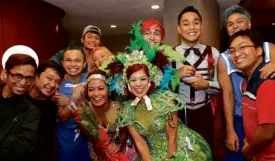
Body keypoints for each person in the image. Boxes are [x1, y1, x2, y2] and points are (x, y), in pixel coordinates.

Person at [104, 42, 212, 160]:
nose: (138, 84)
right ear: (127, 83)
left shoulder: (166, 100)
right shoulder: (126, 110)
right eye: (133, 80)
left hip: (179, 150)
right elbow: (140, 143)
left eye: (143, 79)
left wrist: (170, 158)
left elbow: (172, 139)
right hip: (151, 155)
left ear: (150, 80)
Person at [218, 5, 275, 161]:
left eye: (239, 21)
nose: (235, 26)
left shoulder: (269, 48)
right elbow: (228, 94)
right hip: (240, 116)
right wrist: (230, 129)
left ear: (249, 24)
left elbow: (268, 131)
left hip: (266, 117)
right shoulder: (225, 58)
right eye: (230, 24)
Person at [174, 6, 220, 149]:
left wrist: (206, 84)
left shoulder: (213, 53)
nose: (191, 27)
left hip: (204, 113)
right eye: (186, 23)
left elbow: (222, 86)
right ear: (179, 29)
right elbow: (160, 87)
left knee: (205, 151)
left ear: (201, 26)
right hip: (179, 113)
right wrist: (176, 75)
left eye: (196, 22)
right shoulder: (169, 54)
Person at [229, 29, 275, 161]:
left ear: (259, 51)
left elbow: (268, 131)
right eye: (232, 51)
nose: (236, 54)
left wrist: (249, 150)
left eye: (242, 47)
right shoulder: (249, 81)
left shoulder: (266, 81)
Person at [71, 70, 129, 161]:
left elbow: (124, 132)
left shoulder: (119, 109)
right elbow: (86, 134)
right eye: (91, 90)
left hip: (118, 155)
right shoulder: (84, 111)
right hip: (95, 156)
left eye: (101, 89)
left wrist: (118, 144)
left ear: (109, 91)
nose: (96, 94)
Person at [0, 45, 40, 161]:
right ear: (5, 74)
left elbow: (21, 149)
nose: (23, 83)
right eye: (18, 76)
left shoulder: (31, 111)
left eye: (29, 78)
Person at [54, 44, 91, 161]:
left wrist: (68, 103)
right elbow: (62, 117)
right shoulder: (57, 84)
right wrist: (74, 99)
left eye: (77, 60)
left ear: (84, 64)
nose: (73, 64)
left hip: (89, 138)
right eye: (68, 60)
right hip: (66, 138)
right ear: (63, 63)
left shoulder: (91, 80)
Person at [26, 60, 64, 161]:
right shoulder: (20, 99)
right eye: (49, 78)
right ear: (36, 76)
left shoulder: (52, 107)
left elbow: (47, 143)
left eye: (58, 82)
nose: (52, 85)